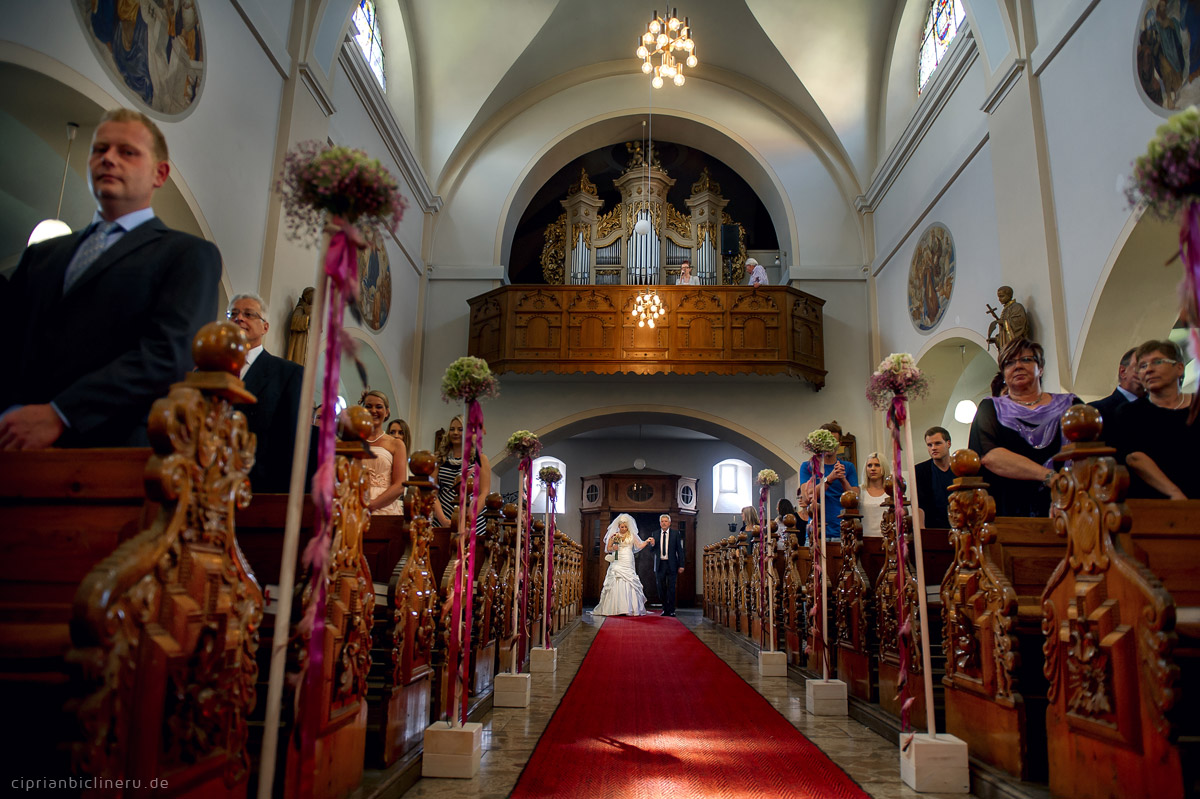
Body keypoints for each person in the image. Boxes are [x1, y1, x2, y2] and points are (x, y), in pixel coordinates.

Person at [0, 108, 221, 449]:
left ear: (159, 174)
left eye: (127, 152)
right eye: (99, 150)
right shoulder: (42, 255)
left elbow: (166, 356)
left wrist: (61, 413)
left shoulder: (187, 254)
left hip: (108, 453)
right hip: (12, 441)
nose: (108, 159)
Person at [968, 338, 1079, 517]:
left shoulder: (1071, 404)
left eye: (1026, 360)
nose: (1018, 366)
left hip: (1070, 504)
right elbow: (989, 456)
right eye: (1010, 362)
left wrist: (1065, 493)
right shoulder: (990, 409)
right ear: (1004, 374)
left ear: (1040, 368)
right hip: (1011, 510)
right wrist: (1050, 477)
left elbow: (1088, 451)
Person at [226, 293, 304, 493]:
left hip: (258, 484)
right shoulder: (207, 369)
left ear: (265, 327)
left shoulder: (287, 373)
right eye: (233, 314)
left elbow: (289, 438)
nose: (239, 318)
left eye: (248, 314)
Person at [1109, 340, 1198, 499]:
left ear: (1179, 368)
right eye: (1142, 366)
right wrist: (1175, 493)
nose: (1148, 369)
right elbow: (1135, 457)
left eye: (1157, 362)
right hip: (1155, 504)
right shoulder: (1130, 412)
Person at [798, 422, 859, 540]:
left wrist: (842, 479)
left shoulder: (848, 467)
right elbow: (806, 498)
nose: (830, 445)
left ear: (839, 444)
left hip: (842, 532)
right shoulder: (807, 467)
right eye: (827, 441)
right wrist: (829, 479)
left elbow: (855, 498)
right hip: (816, 531)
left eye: (833, 441)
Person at [432, 414, 491, 533]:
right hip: (443, 518)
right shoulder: (438, 459)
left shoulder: (480, 459)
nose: (455, 433)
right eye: (452, 429)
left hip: (472, 519)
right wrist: (443, 519)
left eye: (460, 429)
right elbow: (432, 492)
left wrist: (470, 517)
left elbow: (484, 492)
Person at [593, 513, 653, 617]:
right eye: (622, 527)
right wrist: (613, 548)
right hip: (618, 559)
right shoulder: (615, 536)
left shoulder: (632, 535)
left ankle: (630, 608)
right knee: (616, 578)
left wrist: (647, 541)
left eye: (625, 527)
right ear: (619, 527)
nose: (624, 528)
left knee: (629, 580)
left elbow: (639, 545)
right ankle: (615, 607)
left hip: (628, 559)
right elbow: (608, 548)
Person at [360, 390, 406, 515]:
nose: (373, 411)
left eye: (379, 407)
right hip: (355, 503)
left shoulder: (396, 444)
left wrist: (373, 504)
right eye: (368, 406)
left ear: (387, 412)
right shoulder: (353, 441)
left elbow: (399, 485)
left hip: (384, 507)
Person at [1089, 347, 1144, 423]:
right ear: (1123, 372)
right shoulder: (1094, 411)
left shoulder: (1160, 409)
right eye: (1142, 366)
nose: (1148, 371)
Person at [915, 427, 954, 529]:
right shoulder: (920, 470)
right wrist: (922, 531)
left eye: (938, 443)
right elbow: (920, 503)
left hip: (959, 526)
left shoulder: (960, 467)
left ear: (948, 443)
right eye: (929, 445)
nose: (933, 448)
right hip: (933, 527)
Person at [649, 513, 685, 616]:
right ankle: (665, 609)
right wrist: (651, 544)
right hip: (660, 565)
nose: (664, 523)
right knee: (661, 588)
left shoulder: (675, 533)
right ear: (660, 523)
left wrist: (681, 565)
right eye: (662, 521)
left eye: (666, 521)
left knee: (671, 588)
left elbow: (680, 550)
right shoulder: (655, 534)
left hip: (672, 564)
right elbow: (651, 550)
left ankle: (672, 610)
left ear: (669, 523)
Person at [986, 286, 1030, 354]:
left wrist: (1004, 322)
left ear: (1009, 295)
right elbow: (1005, 333)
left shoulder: (1016, 307)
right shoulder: (1006, 309)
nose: (999, 299)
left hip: (1016, 347)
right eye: (998, 297)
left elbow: (1019, 322)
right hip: (1007, 349)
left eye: (1002, 296)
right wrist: (997, 340)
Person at [859, 452, 888, 538]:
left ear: (884, 467)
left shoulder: (891, 491)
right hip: (863, 539)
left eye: (877, 465)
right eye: (869, 465)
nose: (873, 469)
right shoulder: (859, 491)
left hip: (887, 539)